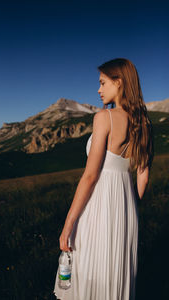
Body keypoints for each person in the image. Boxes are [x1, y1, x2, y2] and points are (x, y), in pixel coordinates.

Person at [53, 58, 154, 300]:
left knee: (89, 266)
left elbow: (90, 175)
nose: (98, 89)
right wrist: (132, 208)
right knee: (115, 271)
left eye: (102, 83)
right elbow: (143, 173)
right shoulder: (144, 123)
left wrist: (67, 225)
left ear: (118, 82)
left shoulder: (104, 118)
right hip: (126, 206)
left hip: (98, 203)